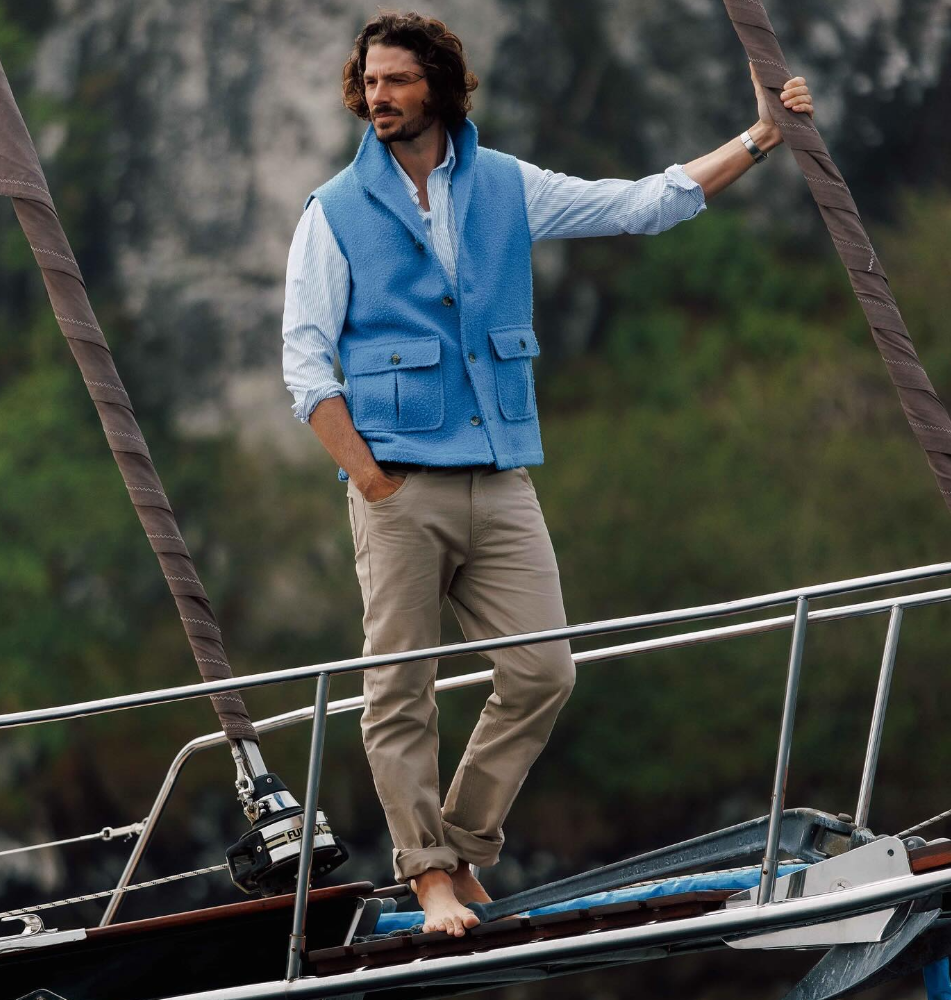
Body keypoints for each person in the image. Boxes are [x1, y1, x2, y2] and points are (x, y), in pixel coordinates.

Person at [281, 11, 813, 937]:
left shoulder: (505, 185)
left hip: (503, 478)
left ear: (440, 86)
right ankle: (431, 878)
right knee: (397, 693)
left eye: (397, 81)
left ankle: (462, 845)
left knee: (543, 675)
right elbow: (304, 365)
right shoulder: (332, 211)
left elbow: (643, 204)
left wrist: (762, 136)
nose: (379, 98)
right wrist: (371, 482)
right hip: (398, 487)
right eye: (369, 83)